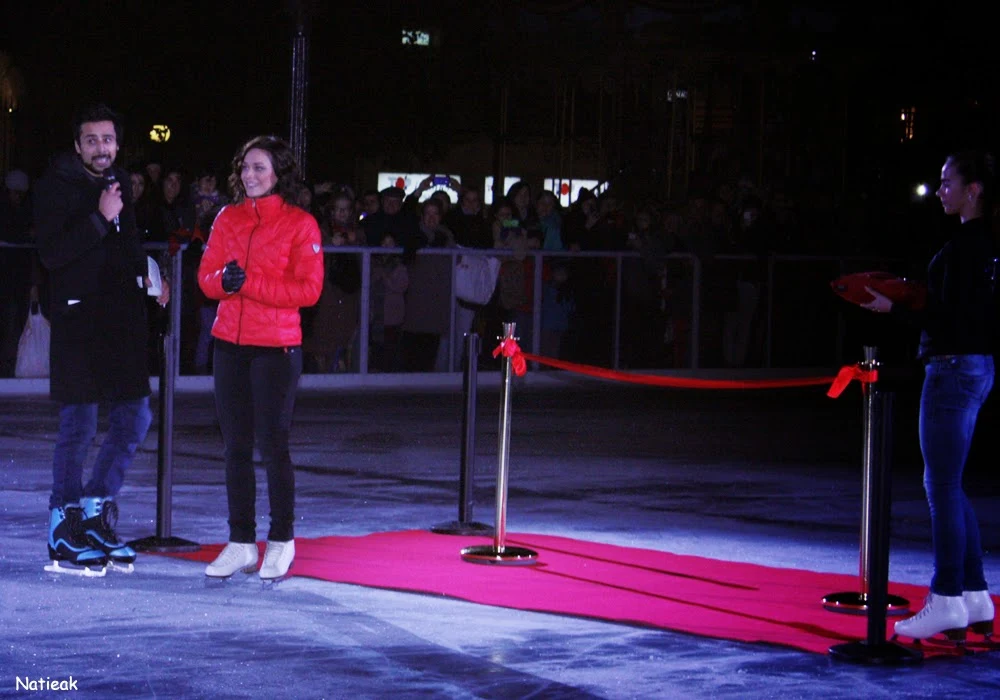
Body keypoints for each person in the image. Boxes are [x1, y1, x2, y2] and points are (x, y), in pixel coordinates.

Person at [863, 151, 998, 642]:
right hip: (977, 366)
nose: (940, 189)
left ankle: (946, 598)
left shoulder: (967, 245)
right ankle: (975, 595)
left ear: (974, 190)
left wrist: (892, 308)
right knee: (949, 482)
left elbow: (946, 317)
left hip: (952, 367)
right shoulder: (983, 245)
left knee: (940, 486)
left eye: (947, 182)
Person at [33, 104, 169, 574]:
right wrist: (98, 216)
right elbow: (52, 255)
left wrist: (149, 274)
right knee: (80, 425)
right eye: (91, 140)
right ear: (77, 145)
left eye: (107, 139)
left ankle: (94, 513)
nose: (101, 148)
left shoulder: (121, 184)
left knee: (135, 416)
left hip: (121, 321)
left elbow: (127, 243)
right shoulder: (56, 186)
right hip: (78, 321)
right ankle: (62, 526)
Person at [197, 135, 323, 580]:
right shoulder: (227, 218)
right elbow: (206, 277)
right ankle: (241, 541)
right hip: (229, 345)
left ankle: (282, 540)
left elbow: (309, 290)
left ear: (278, 174)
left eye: (259, 168)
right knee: (235, 448)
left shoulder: (300, 224)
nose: (249, 175)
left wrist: (247, 284)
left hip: (276, 348)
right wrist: (224, 281)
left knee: (272, 446)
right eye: (245, 167)